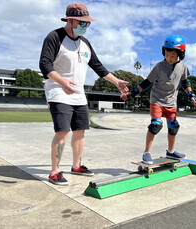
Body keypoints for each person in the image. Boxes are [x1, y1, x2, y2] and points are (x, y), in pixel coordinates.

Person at [39, 3, 129, 185]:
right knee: (63, 131)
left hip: (79, 95)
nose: (85, 27)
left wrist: (117, 81)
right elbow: (45, 65)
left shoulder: (85, 43)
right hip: (58, 91)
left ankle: (77, 166)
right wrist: (62, 82)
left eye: (87, 23)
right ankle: (55, 171)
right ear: (71, 20)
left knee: (80, 132)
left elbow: (98, 67)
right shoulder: (54, 37)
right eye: (82, 23)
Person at [121, 35, 196, 164]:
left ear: (181, 54)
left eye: (173, 56)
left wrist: (192, 96)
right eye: (167, 55)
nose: (169, 59)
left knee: (173, 127)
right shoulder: (159, 66)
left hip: (171, 102)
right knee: (156, 125)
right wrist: (131, 94)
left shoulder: (183, 66)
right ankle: (147, 152)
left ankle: (171, 151)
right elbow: (146, 82)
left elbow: (185, 83)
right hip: (157, 100)